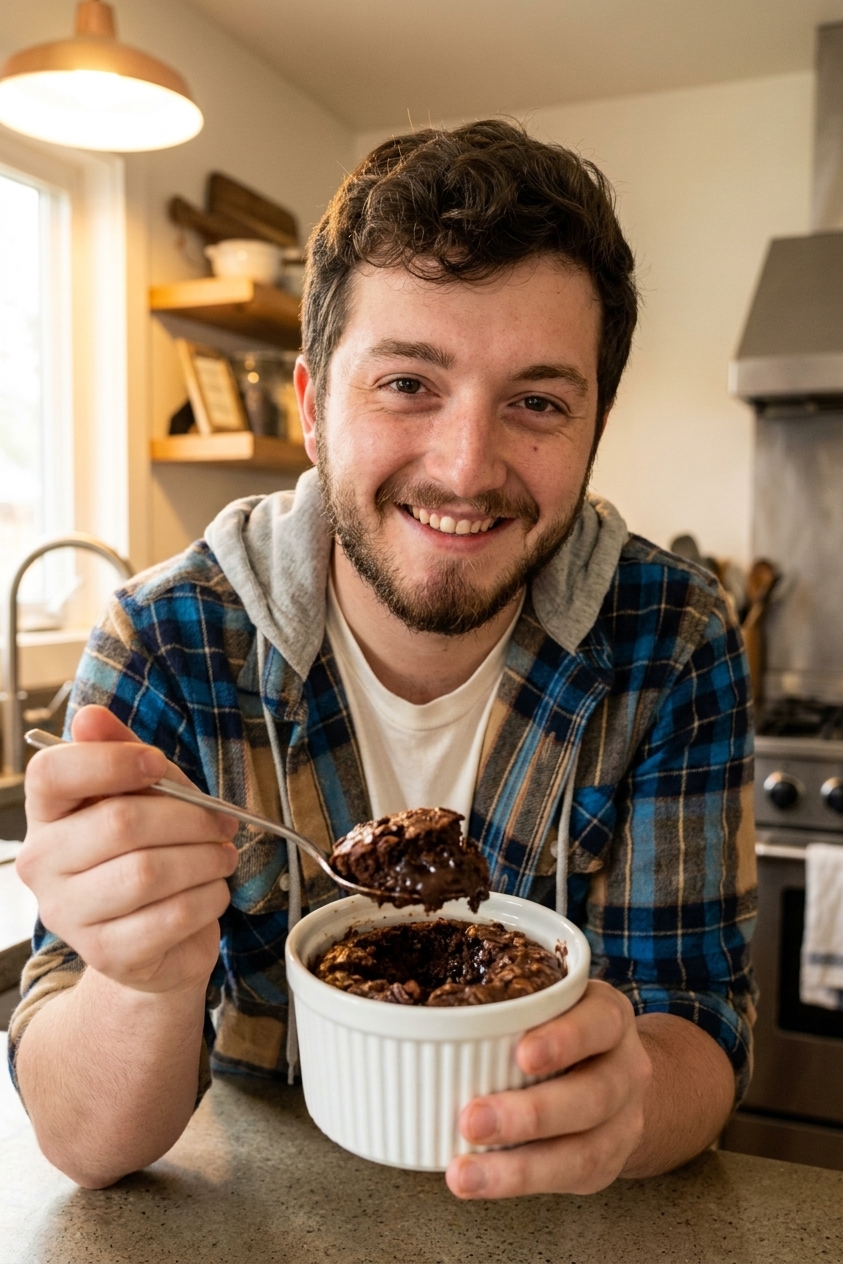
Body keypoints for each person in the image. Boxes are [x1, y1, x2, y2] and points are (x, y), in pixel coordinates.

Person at [9, 120, 756, 1197]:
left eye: (537, 402)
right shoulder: (165, 643)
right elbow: (86, 1142)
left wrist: (630, 1106)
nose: (465, 466)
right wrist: (140, 977)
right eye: (408, 382)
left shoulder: (672, 639)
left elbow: (697, 1018)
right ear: (313, 409)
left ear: (594, 426)